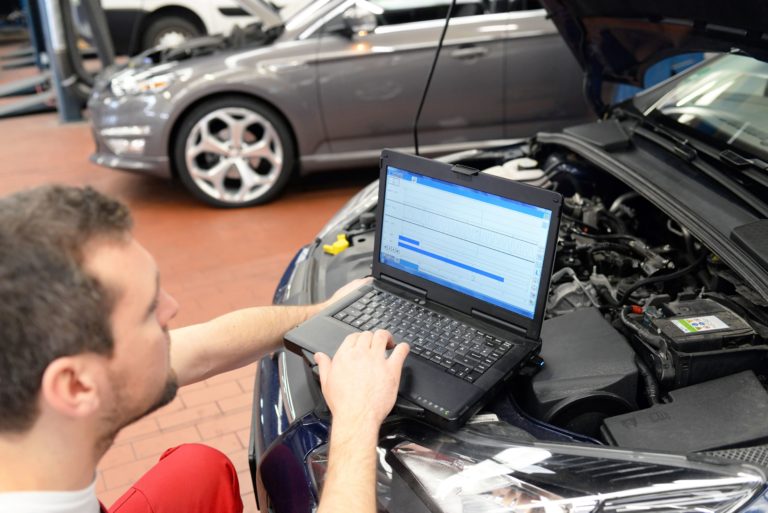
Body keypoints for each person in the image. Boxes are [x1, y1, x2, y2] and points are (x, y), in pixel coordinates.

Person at [0, 185, 409, 513]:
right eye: (148, 312)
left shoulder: (37, 398)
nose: (172, 308)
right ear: (75, 387)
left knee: (197, 470)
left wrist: (325, 312)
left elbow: (207, 344)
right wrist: (357, 418)